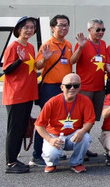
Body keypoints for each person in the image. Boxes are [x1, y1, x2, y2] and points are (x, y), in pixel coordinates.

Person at [31, 14, 73, 167]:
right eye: (61, 25)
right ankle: (36, 155)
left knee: (59, 120)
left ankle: (55, 149)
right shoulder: (47, 45)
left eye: (66, 25)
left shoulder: (68, 45)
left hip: (65, 88)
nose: (64, 28)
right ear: (52, 27)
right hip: (50, 87)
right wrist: (45, 58)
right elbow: (38, 66)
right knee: (44, 120)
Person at [34, 73, 95, 173]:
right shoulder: (52, 102)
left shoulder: (86, 101)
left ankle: (77, 163)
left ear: (80, 87)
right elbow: (39, 125)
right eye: (68, 86)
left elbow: (89, 121)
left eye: (75, 85)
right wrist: (50, 139)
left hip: (73, 135)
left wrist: (82, 131)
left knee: (86, 138)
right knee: (51, 154)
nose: (72, 88)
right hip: (55, 135)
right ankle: (51, 163)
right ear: (62, 87)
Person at [3, 16, 39, 174]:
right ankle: (10, 162)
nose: (29, 30)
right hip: (16, 94)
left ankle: (15, 159)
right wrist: (18, 60)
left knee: (22, 127)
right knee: (14, 129)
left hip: (27, 93)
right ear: (18, 29)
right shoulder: (13, 47)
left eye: (32, 27)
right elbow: (6, 70)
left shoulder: (30, 47)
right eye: (26, 27)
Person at [70, 19, 108, 126]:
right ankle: (79, 140)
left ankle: (85, 140)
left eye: (103, 29)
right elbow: (72, 61)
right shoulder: (83, 44)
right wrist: (80, 47)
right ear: (89, 30)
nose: (101, 32)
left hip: (99, 89)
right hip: (85, 89)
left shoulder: (103, 44)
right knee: (82, 118)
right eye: (98, 29)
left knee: (92, 119)